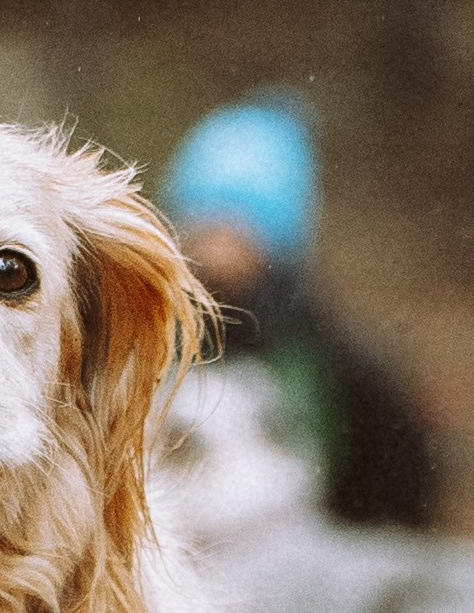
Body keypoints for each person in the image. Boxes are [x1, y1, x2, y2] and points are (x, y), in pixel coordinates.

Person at [160, 97, 445, 532]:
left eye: (238, 220)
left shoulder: (331, 359)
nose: (218, 242)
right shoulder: (150, 331)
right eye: (204, 217)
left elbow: (400, 490)